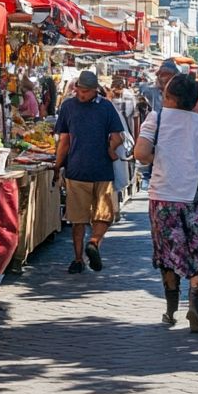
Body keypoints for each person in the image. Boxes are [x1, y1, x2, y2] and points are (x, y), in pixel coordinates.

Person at [133, 73, 198, 332]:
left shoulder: (157, 118)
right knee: (197, 250)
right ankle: (195, 299)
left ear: (167, 95)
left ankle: (170, 310)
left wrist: (163, 158)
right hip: (196, 197)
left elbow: (140, 153)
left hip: (163, 196)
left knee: (168, 253)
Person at [54, 71, 126, 273]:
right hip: (93, 170)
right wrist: (111, 150)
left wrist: (57, 165)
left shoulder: (69, 106)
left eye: (85, 91)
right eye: (80, 90)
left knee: (85, 217)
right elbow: (118, 137)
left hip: (80, 170)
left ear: (95, 90)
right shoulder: (104, 106)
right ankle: (90, 246)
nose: (82, 94)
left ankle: (82, 255)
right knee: (95, 217)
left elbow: (64, 142)